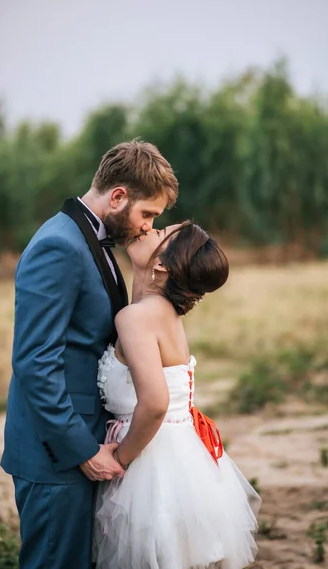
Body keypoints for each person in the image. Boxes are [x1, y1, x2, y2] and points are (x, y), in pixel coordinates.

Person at [1, 140, 178, 569]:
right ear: (118, 196)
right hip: (55, 454)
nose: (147, 227)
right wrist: (82, 449)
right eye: (146, 214)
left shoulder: (92, 241)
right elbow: (34, 362)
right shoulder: (59, 246)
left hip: (80, 444)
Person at [94, 221, 261, 569]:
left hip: (152, 465)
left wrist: (120, 460)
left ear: (162, 265)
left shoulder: (136, 318)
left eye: (160, 232)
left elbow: (155, 403)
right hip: (179, 453)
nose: (147, 229)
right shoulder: (162, 314)